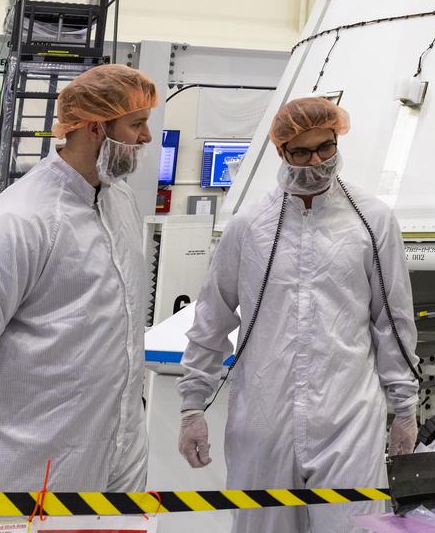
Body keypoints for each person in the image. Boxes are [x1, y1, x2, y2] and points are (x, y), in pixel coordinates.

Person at [177, 97, 419, 533]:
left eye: (326, 147)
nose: (317, 162)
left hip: (349, 416)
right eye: (302, 152)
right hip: (263, 416)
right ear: (280, 151)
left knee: (354, 528)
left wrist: (404, 407)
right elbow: (212, 316)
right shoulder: (249, 226)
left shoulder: (372, 221)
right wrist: (193, 407)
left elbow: (393, 321)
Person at [0, 63, 155, 491]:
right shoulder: (20, 221)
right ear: (95, 128)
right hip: (32, 461)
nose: (146, 138)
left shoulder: (119, 200)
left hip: (119, 448)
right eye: (136, 124)